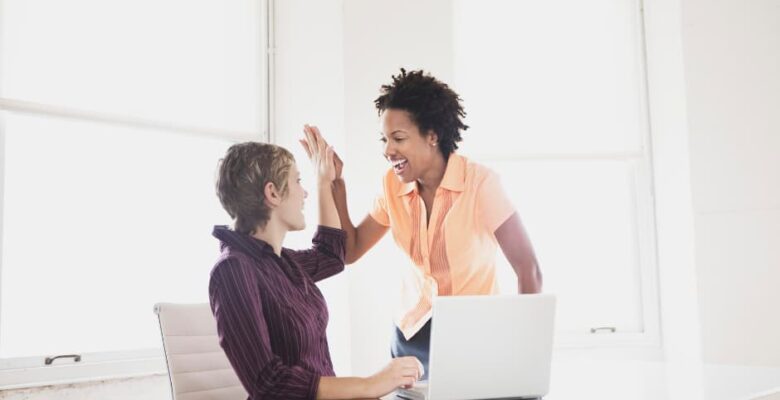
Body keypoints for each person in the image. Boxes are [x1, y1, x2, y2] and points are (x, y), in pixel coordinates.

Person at [301, 69, 542, 378]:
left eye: (399, 138)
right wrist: (336, 185)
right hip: (410, 338)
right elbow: (351, 250)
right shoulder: (392, 186)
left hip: (472, 337)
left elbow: (528, 268)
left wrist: (525, 348)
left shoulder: (480, 184)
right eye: (385, 139)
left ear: (432, 136)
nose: (388, 150)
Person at [209, 141, 423, 400]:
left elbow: (331, 256)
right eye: (298, 181)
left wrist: (325, 183)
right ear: (273, 194)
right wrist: (369, 385)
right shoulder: (233, 270)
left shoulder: (280, 262)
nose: (304, 193)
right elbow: (268, 383)